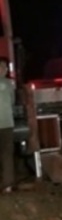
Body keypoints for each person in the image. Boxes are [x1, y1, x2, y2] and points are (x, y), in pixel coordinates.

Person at [0, 57, 15, 193]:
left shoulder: (10, 84)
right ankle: (7, 185)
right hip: (7, 123)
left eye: (5, 67)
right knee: (6, 155)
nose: (3, 70)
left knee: (6, 155)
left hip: (7, 124)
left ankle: (7, 184)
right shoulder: (10, 84)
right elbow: (13, 101)